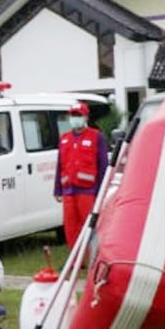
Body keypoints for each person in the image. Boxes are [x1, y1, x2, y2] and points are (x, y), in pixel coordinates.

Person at [54, 101, 109, 247]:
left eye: (78, 115)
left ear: (86, 117)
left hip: (88, 191)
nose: (75, 119)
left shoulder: (96, 137)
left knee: (89, 225)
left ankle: (93, 257)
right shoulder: (64, 138)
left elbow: (103, 166)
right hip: (68, 191)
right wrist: (57, 189)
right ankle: (76, 259)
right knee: (70, 227)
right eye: (73, 116)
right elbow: (60, 165)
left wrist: (102, 191)